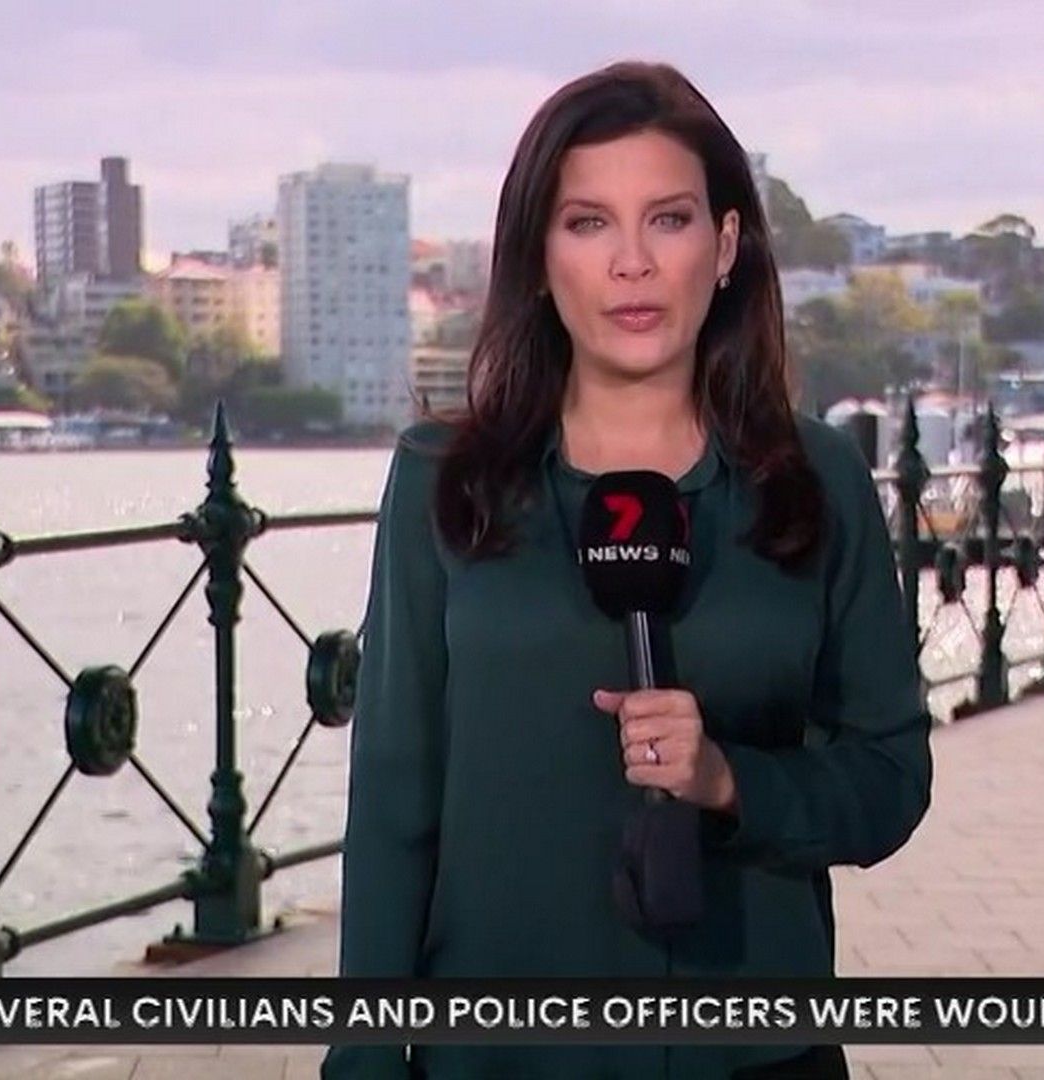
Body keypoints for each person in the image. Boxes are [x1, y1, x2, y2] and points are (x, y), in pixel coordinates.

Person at [322, 61, 934, 1079]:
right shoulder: (444, 479)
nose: (632, 264)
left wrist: (729, 780)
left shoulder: (816, 478)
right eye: (589, 223)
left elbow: (889, 778)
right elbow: (393, 804)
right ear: (539, 256)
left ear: (725, 246)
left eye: (669, 220)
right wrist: (366, 1060)